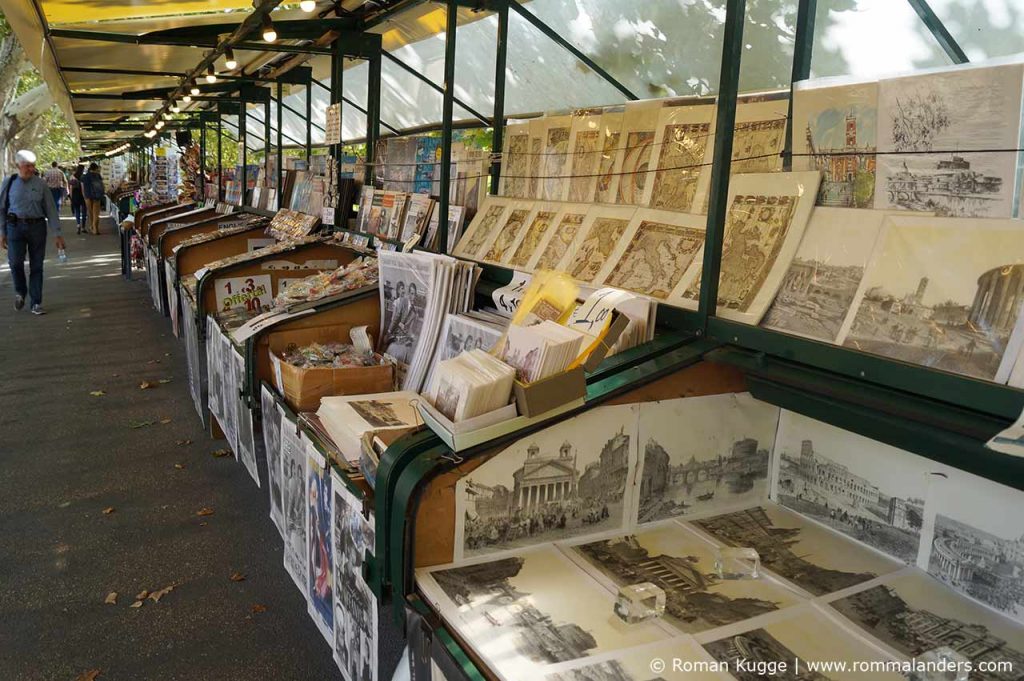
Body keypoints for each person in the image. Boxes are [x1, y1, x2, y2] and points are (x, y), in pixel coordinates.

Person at [0, 149, 65, 315]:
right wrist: (2, 232)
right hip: (14, 227)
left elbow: (51, 209)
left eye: (33, 166)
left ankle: (36, 302)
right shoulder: (9, 183)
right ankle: (20, 292)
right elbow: (1, 209)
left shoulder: (41, 184)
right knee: (15, 262)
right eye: (27, 166)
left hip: (37, 227)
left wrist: (57, 233)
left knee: (37, 266)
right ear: (17, 165)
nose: (31, 169)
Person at [82, 162, 105, 235]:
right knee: (96, 213)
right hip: (96, 196)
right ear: (96, 168)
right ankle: (95, 229)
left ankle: (92, 226)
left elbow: (82, 187)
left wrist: (84, 195)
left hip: (87, 196)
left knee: (90, 212)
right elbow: (102, 185)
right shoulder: (98, 176)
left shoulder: (84, 176)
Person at [68, 164, 87, 234]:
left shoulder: (72, 177)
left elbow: (71, 188)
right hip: (82, 196)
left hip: (75, 195)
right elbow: (83, 188)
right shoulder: (83, 177)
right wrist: (85, 196)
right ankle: (83, 227)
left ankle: (78, 224)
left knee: (77, 211)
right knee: (84, 211)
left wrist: (71, 197)